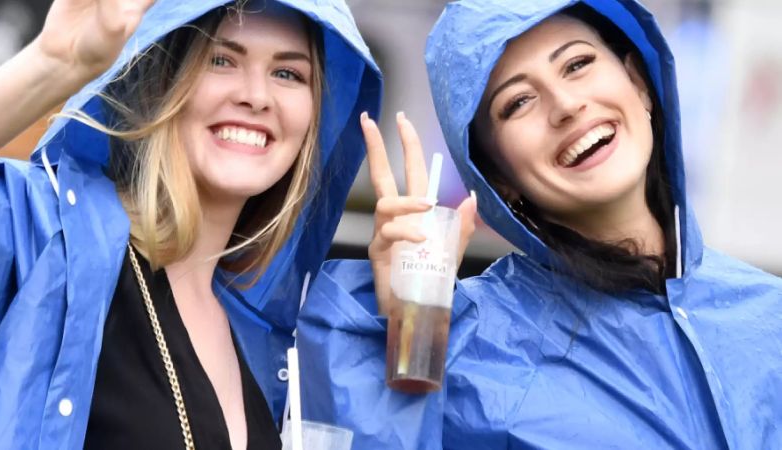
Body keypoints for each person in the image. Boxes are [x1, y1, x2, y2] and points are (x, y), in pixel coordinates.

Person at [0, 0, 381, 448]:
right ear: (163, 79)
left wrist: (405, 320)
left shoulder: (271, 340)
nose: (256, 95)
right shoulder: (47, 236)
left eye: (289, 74)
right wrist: (52, 65)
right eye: (221, 59)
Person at [297, 0, 782, 448]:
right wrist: (407, 324)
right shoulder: (468, 350)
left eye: (577, 64)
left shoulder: (767, 314)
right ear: (496, 179)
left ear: (638, 82)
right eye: (518, 102)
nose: (567, 105)